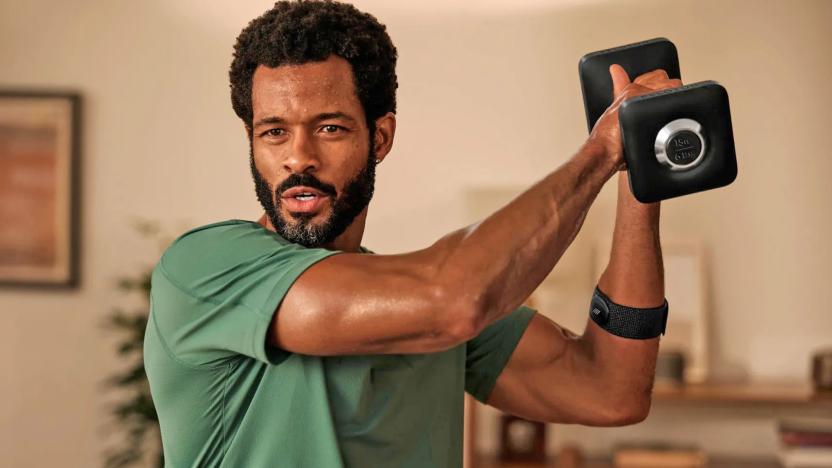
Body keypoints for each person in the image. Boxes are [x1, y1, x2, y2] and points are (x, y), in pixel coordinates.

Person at [144, 1, 681, 467]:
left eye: (329, 128)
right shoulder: (204, 269)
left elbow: (612, 391)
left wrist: (639, 175)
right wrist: (601, 151)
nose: (297, 157)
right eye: (274, 132)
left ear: (380, 136)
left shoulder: (418, 308)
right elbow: (452, 297)